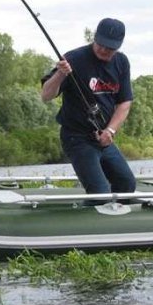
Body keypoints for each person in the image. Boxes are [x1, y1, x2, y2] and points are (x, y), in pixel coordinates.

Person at [41, 17, 136, 201]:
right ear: (95, 37)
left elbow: (124, 103)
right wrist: (60, 74)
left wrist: (111, 130)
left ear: (118, 46)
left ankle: (116, 220)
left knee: (127, 183)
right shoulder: (74, 59)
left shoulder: (122, 63)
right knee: (100, 194)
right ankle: (89, 216)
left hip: (104, 137)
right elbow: (46, 95)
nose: (103, 50)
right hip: (76, 138)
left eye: (110, 48)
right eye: (100, 44)